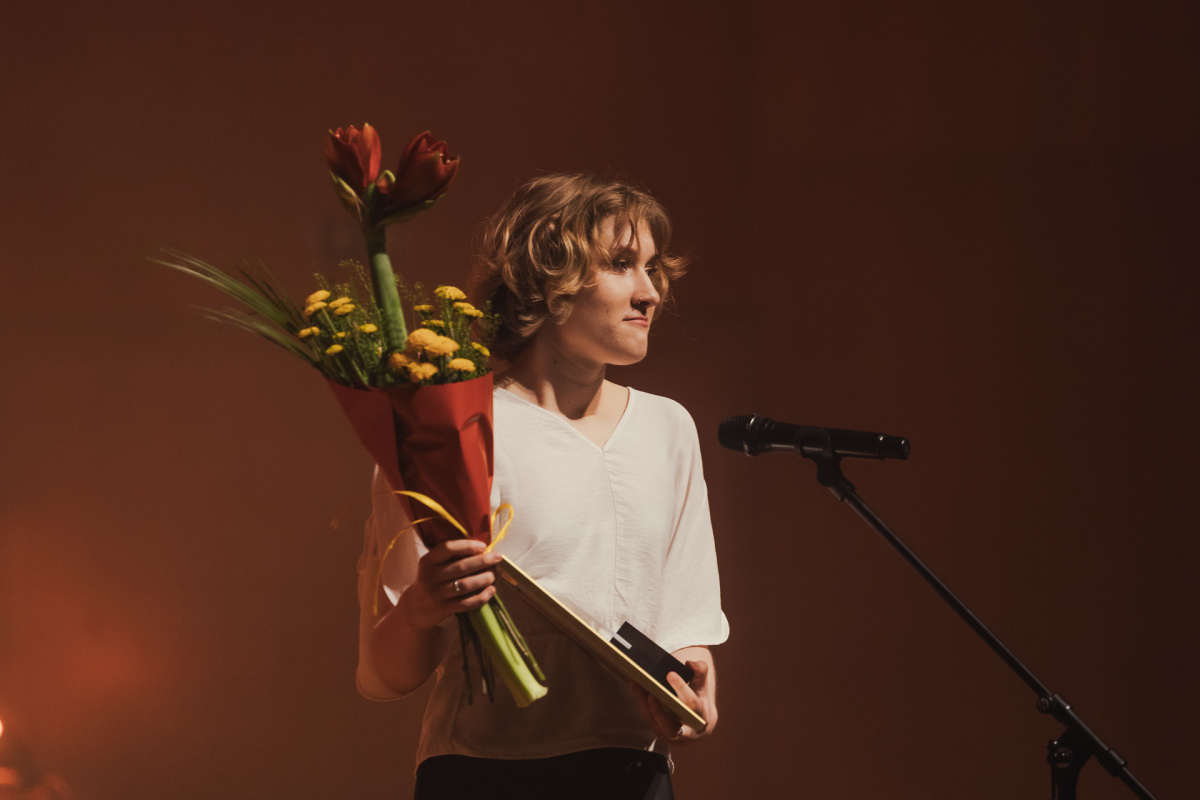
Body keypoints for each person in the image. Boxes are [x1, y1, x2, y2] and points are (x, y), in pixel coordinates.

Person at [355, 173, 728, 800]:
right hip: (485, 772)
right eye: (621, 264)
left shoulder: (669, 428)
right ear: (547, 278)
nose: (650, 292)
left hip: (633, 774)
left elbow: (686, 629)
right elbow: (384, 675)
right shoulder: (451, 431)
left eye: (652, 268)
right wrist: (421, 606)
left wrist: (694, 699)